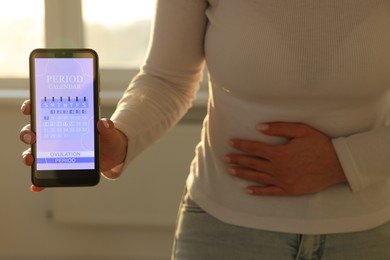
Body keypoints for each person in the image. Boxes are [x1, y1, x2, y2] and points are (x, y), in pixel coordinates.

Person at [20, 1, 390, 259]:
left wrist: (348, 162)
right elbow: (168, 79)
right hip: (224, 230)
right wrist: (121, 138)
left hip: (371, 233)